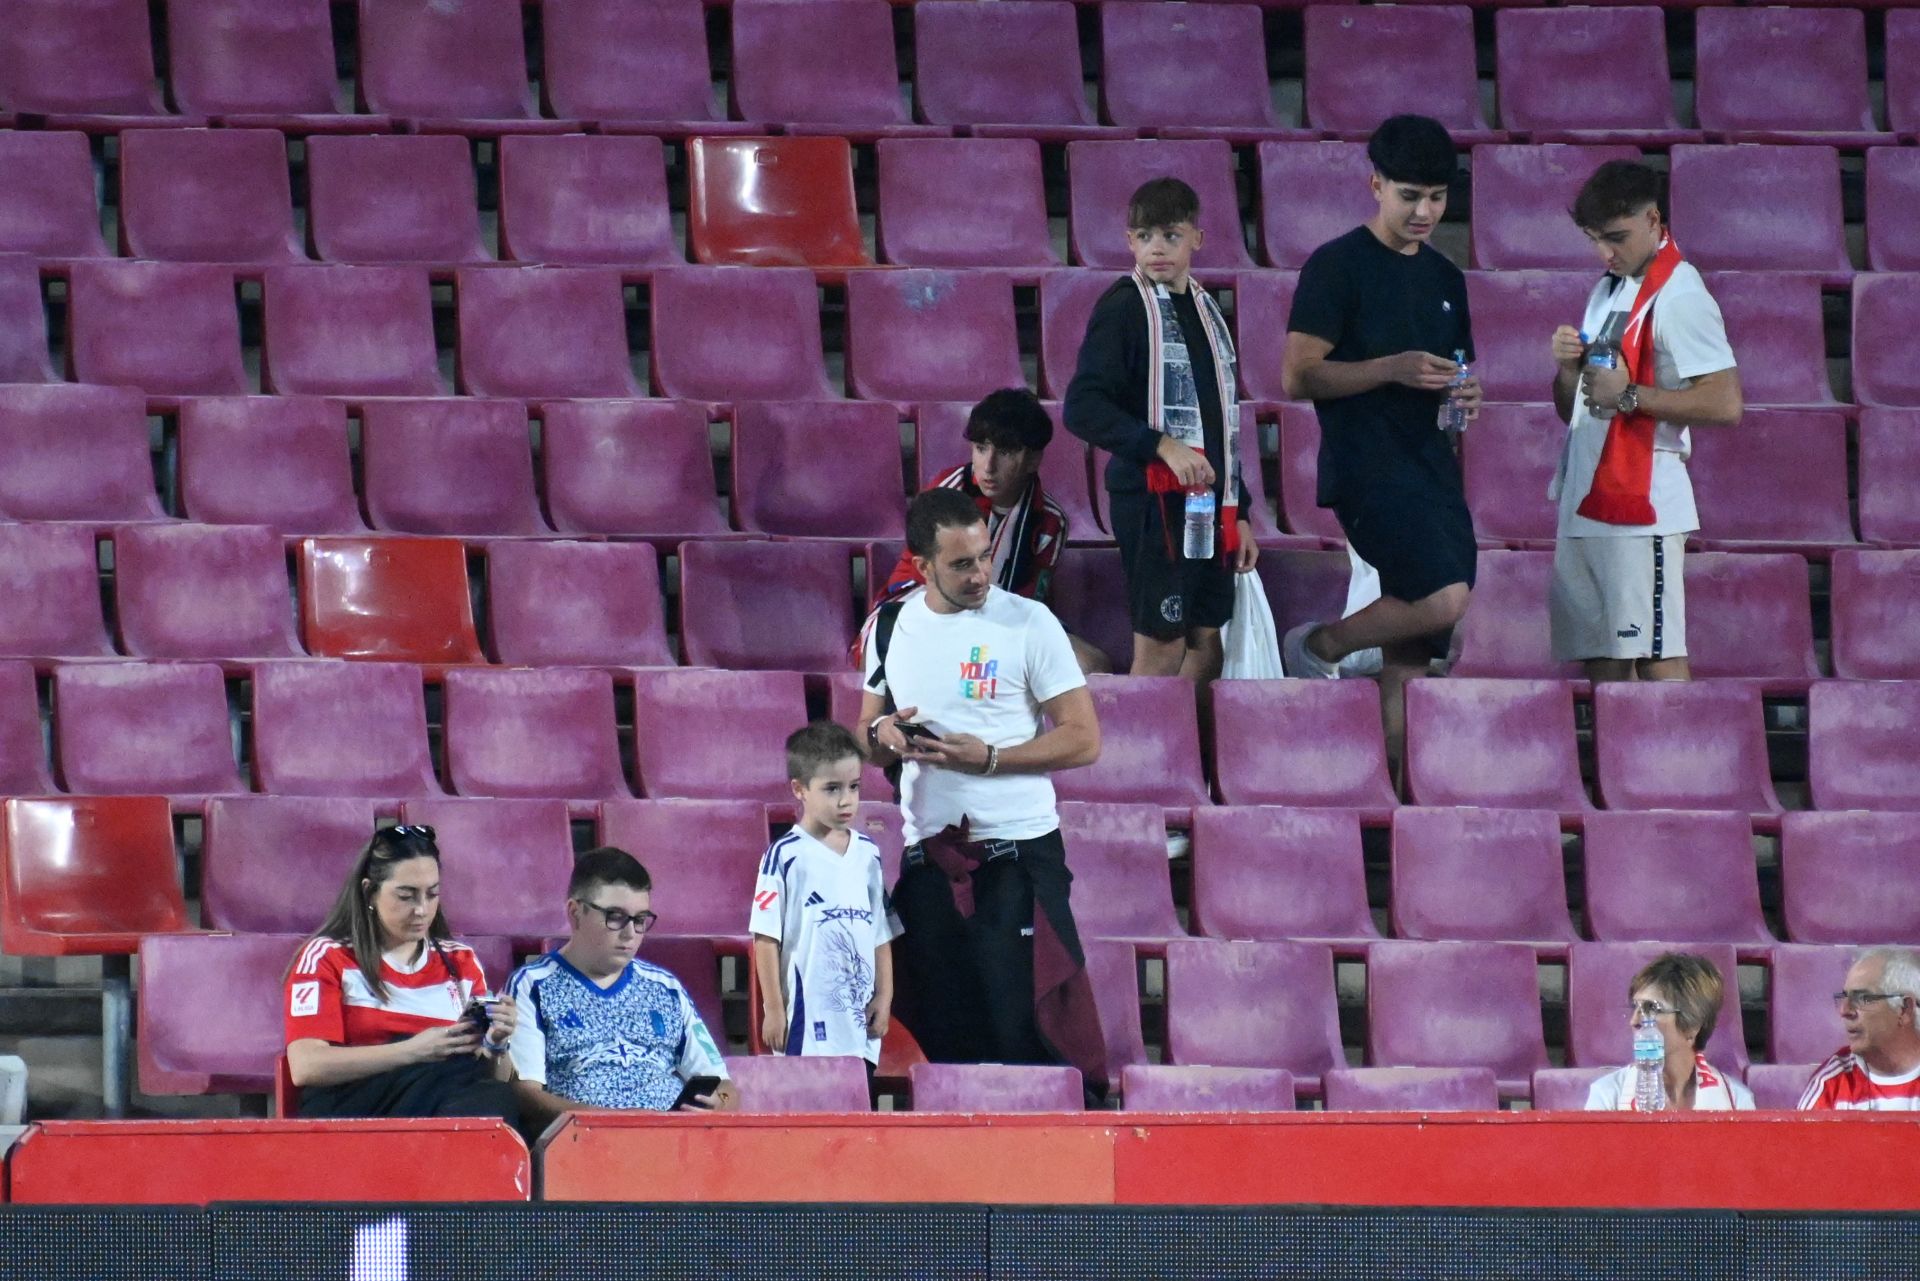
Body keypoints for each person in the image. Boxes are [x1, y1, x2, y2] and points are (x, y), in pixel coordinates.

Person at [858, 487, 1107, 1089]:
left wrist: (991, 759)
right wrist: (883, 734)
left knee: (1025, 1038)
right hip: (928, 860)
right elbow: (865, 739)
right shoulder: (888, 626)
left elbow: (1084, 739)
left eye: (985, 556)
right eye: (961, 564)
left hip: (1019, 856)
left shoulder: (1029, 622)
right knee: (945, 1041)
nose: (980, 575)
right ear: (923, 566)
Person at [1279, 115, 1480, 755]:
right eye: (1410, 195)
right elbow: (1297, 375)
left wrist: (1463, 394)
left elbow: (1455, 369)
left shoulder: (1446, 278)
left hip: (1432, 465)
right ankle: (1320, 644)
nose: (1424, 212)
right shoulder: (1336, 265)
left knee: (1412, 659)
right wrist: (1391, 368)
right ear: (1376, 185)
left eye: (1437, 198)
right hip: (1367, 466)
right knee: (1443, 598)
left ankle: (1398, 793)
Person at [1548, 160, 1743, 683]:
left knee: (1656, 653)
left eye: (1615, 238)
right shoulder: (1607, 290)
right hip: (1586, 494)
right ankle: (1617, 746)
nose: (1604, 254)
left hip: (1643, 505)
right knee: (1604, 659)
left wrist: (1630, 396)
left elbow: (1726, 403)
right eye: (1594, 240)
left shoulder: (1681, 294)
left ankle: (1676, 743)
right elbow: (1575, 409)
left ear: (1654, 220)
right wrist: (1568, 371)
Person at [1063, 176, 1258, 684]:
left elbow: (1221, 422)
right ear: (1129, 242)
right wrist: (1161, 446)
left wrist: (1241, 511)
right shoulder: (1124, 307)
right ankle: (1138, 737)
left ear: (1197, 238)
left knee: (1207, 640)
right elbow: (1082, 407)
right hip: (1152, 502)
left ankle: (1188, 737)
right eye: (1145, 236)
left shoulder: (1207, 309)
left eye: (1170, 235)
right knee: (1162, 645)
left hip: (1208, 504)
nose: (1157, 248)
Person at [860, 388, 1110, 674]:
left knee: (1091, 663)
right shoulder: (948, 491)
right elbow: (935, 584)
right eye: (981, 448)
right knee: (896, 650)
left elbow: (1027, 603)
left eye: (1005, 452)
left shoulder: (1051, 522)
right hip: (928, 606)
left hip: (1002, 618)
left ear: (1033, 459)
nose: (989, 466)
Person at [284, 823, 519, 1122]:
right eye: (406, 896)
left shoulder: (461, 962)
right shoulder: (327, 956)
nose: (421, 909)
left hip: (444, 1100)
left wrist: (496, 1044)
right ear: (369, 892)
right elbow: (306, 1066)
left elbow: (492, 1077)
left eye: (432, 894)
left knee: (494, 1097)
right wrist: (414, 1050)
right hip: (358, 1106)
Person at [504, 847, 738, 1130]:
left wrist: (720, 1103)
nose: (630, 934)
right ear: (575, 914)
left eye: (640, 920)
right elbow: (526, 1097)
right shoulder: (533, 985)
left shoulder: (666, 988)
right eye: (615, 917)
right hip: (584, 1141)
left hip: (675, 1139)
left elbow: (725, 1086)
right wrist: (619, 1123)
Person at [751, 722, 896, 1073]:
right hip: (806, 1022)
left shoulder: (868, 854)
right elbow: (765, 938)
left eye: (854, 786)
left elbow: (880, 933)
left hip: (859, 1024)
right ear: (799, 789)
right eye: (832, 789)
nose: (846, 800)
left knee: (859, 1104)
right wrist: (774, 1008)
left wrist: (884, 996)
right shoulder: (784, 855)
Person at [1584, 951, 1754, 1112]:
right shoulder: (1607, 1095)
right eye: (1635, 1007)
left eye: (1652, 1009)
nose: (1634, 1021)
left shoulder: (1736, 1101)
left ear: (1692, 1026)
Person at [1799, 946, 1920, 1111]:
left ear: (1904, 1009)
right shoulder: (1831, 1084)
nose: (1844, 1011)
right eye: (1844, 998)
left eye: (1863, 998)